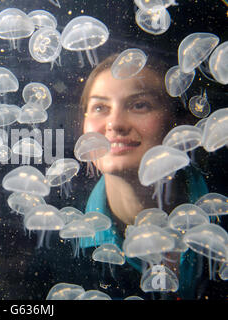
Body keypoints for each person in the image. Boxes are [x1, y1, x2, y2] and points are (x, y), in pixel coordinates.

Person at [78, 53, 209, 299]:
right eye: (99, 107)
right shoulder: (58, 254)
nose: (114, 124)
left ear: (178, 121)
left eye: (139, 105)